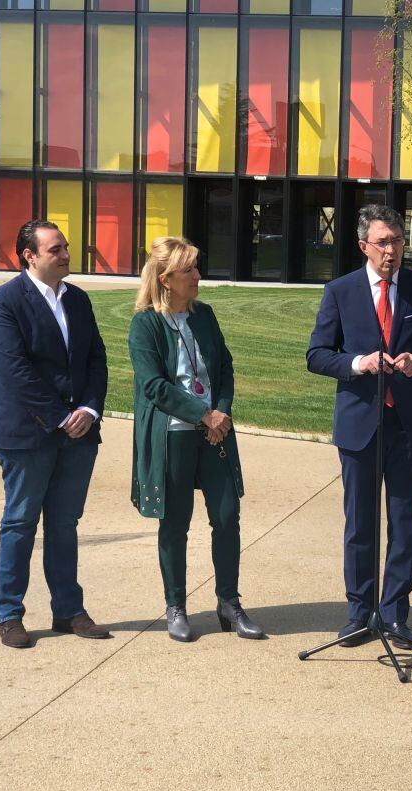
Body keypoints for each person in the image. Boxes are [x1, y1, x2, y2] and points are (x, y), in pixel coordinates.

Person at [306, 204, 412, 651]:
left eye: (398, 241)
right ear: (363, 246)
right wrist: (358, 363)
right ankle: (359, 613)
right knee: (360, 523)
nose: (392, 250)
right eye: (383, 242)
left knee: (405, 523)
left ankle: (394, 614)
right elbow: (317, 354)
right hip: (360, 425)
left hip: (410, 426)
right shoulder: (340, 291)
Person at [128, 236, 263, 643]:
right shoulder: (145, 323)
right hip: (173, 435)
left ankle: (229, 604)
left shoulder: (204, 315)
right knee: (175, 523)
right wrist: (202, 414)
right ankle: (176, 606)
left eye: (196, 268)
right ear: (166, 278)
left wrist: (220, 412)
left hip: (214, 432)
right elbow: (153, 385)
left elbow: (224, 367)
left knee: (226, 516)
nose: (197, 276)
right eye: (188, 270)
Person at [0, 220, 110, 648]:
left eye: (65, 247)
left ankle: (68, 611)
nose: (66, 255)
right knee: (20, 522)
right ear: (29, 255)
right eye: (56, 249)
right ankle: (10, 615)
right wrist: (61, 417)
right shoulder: (5, 301)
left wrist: (88, 409)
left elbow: (96, 359)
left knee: (64, 524)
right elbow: (13, 370)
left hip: (78, 434)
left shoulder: (78, 299)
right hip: (27, 434)